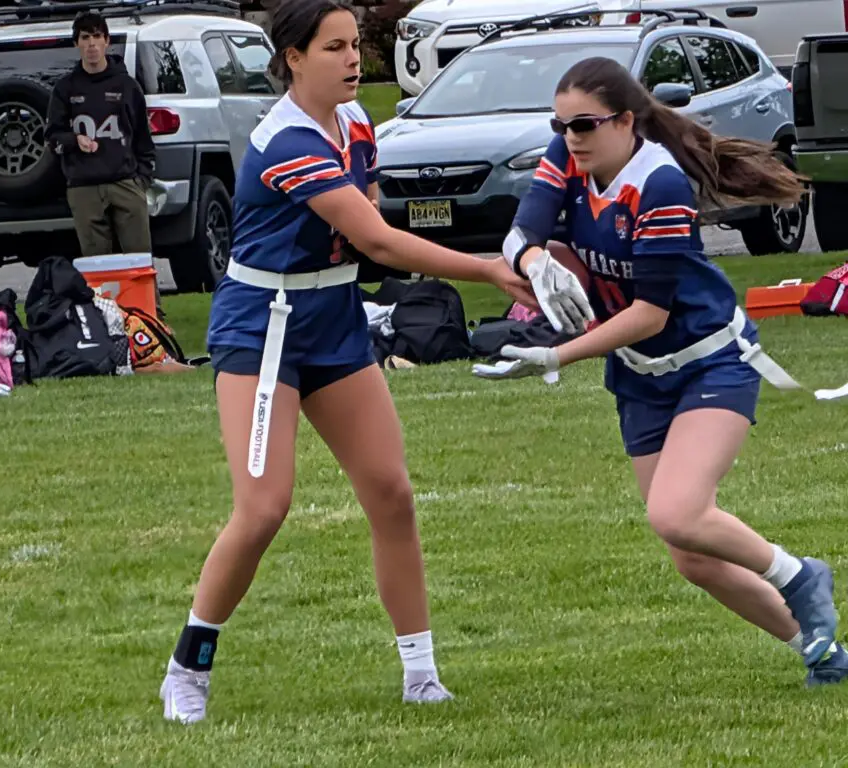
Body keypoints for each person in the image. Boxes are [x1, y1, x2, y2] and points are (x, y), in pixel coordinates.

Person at [158, 0, 593, 724]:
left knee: (391, 492)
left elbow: (365, 230)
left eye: (355, 44)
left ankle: (420, 673)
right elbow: (379, 241)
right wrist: (490, 270)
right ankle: (187, 667)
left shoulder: (357, 125)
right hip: (264, 326)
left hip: (332, 319)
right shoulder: (287, 140)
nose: (354, 58)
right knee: (263, 508)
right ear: (293, 57)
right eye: (334, 47)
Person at [483, 56, 847, 686]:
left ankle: (800, 576)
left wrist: (557, 353)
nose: (571, 137)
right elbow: (519, 234)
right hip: (639, 374)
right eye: (562, 124)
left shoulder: (660, 185)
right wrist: (539, 258)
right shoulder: (567, 152)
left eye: (586, 125)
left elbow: (651, 314)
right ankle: (820, 651)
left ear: (626, 121)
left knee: (678, 514)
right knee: (691, 556)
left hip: (710, 361)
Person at [45, 11, 155, 259]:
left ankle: (145, 301)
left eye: (96, 36)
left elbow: (143, 139)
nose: (91, 44)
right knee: (97, 266)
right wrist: (75, 140)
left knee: (139, 260)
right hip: (84, 188)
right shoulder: (65, 88)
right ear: (76, 44)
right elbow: (52, 138)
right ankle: (101, 301)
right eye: (85, 38)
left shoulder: (127, 86)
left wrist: (142, 180)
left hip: (125, 183)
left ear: (106, 40)